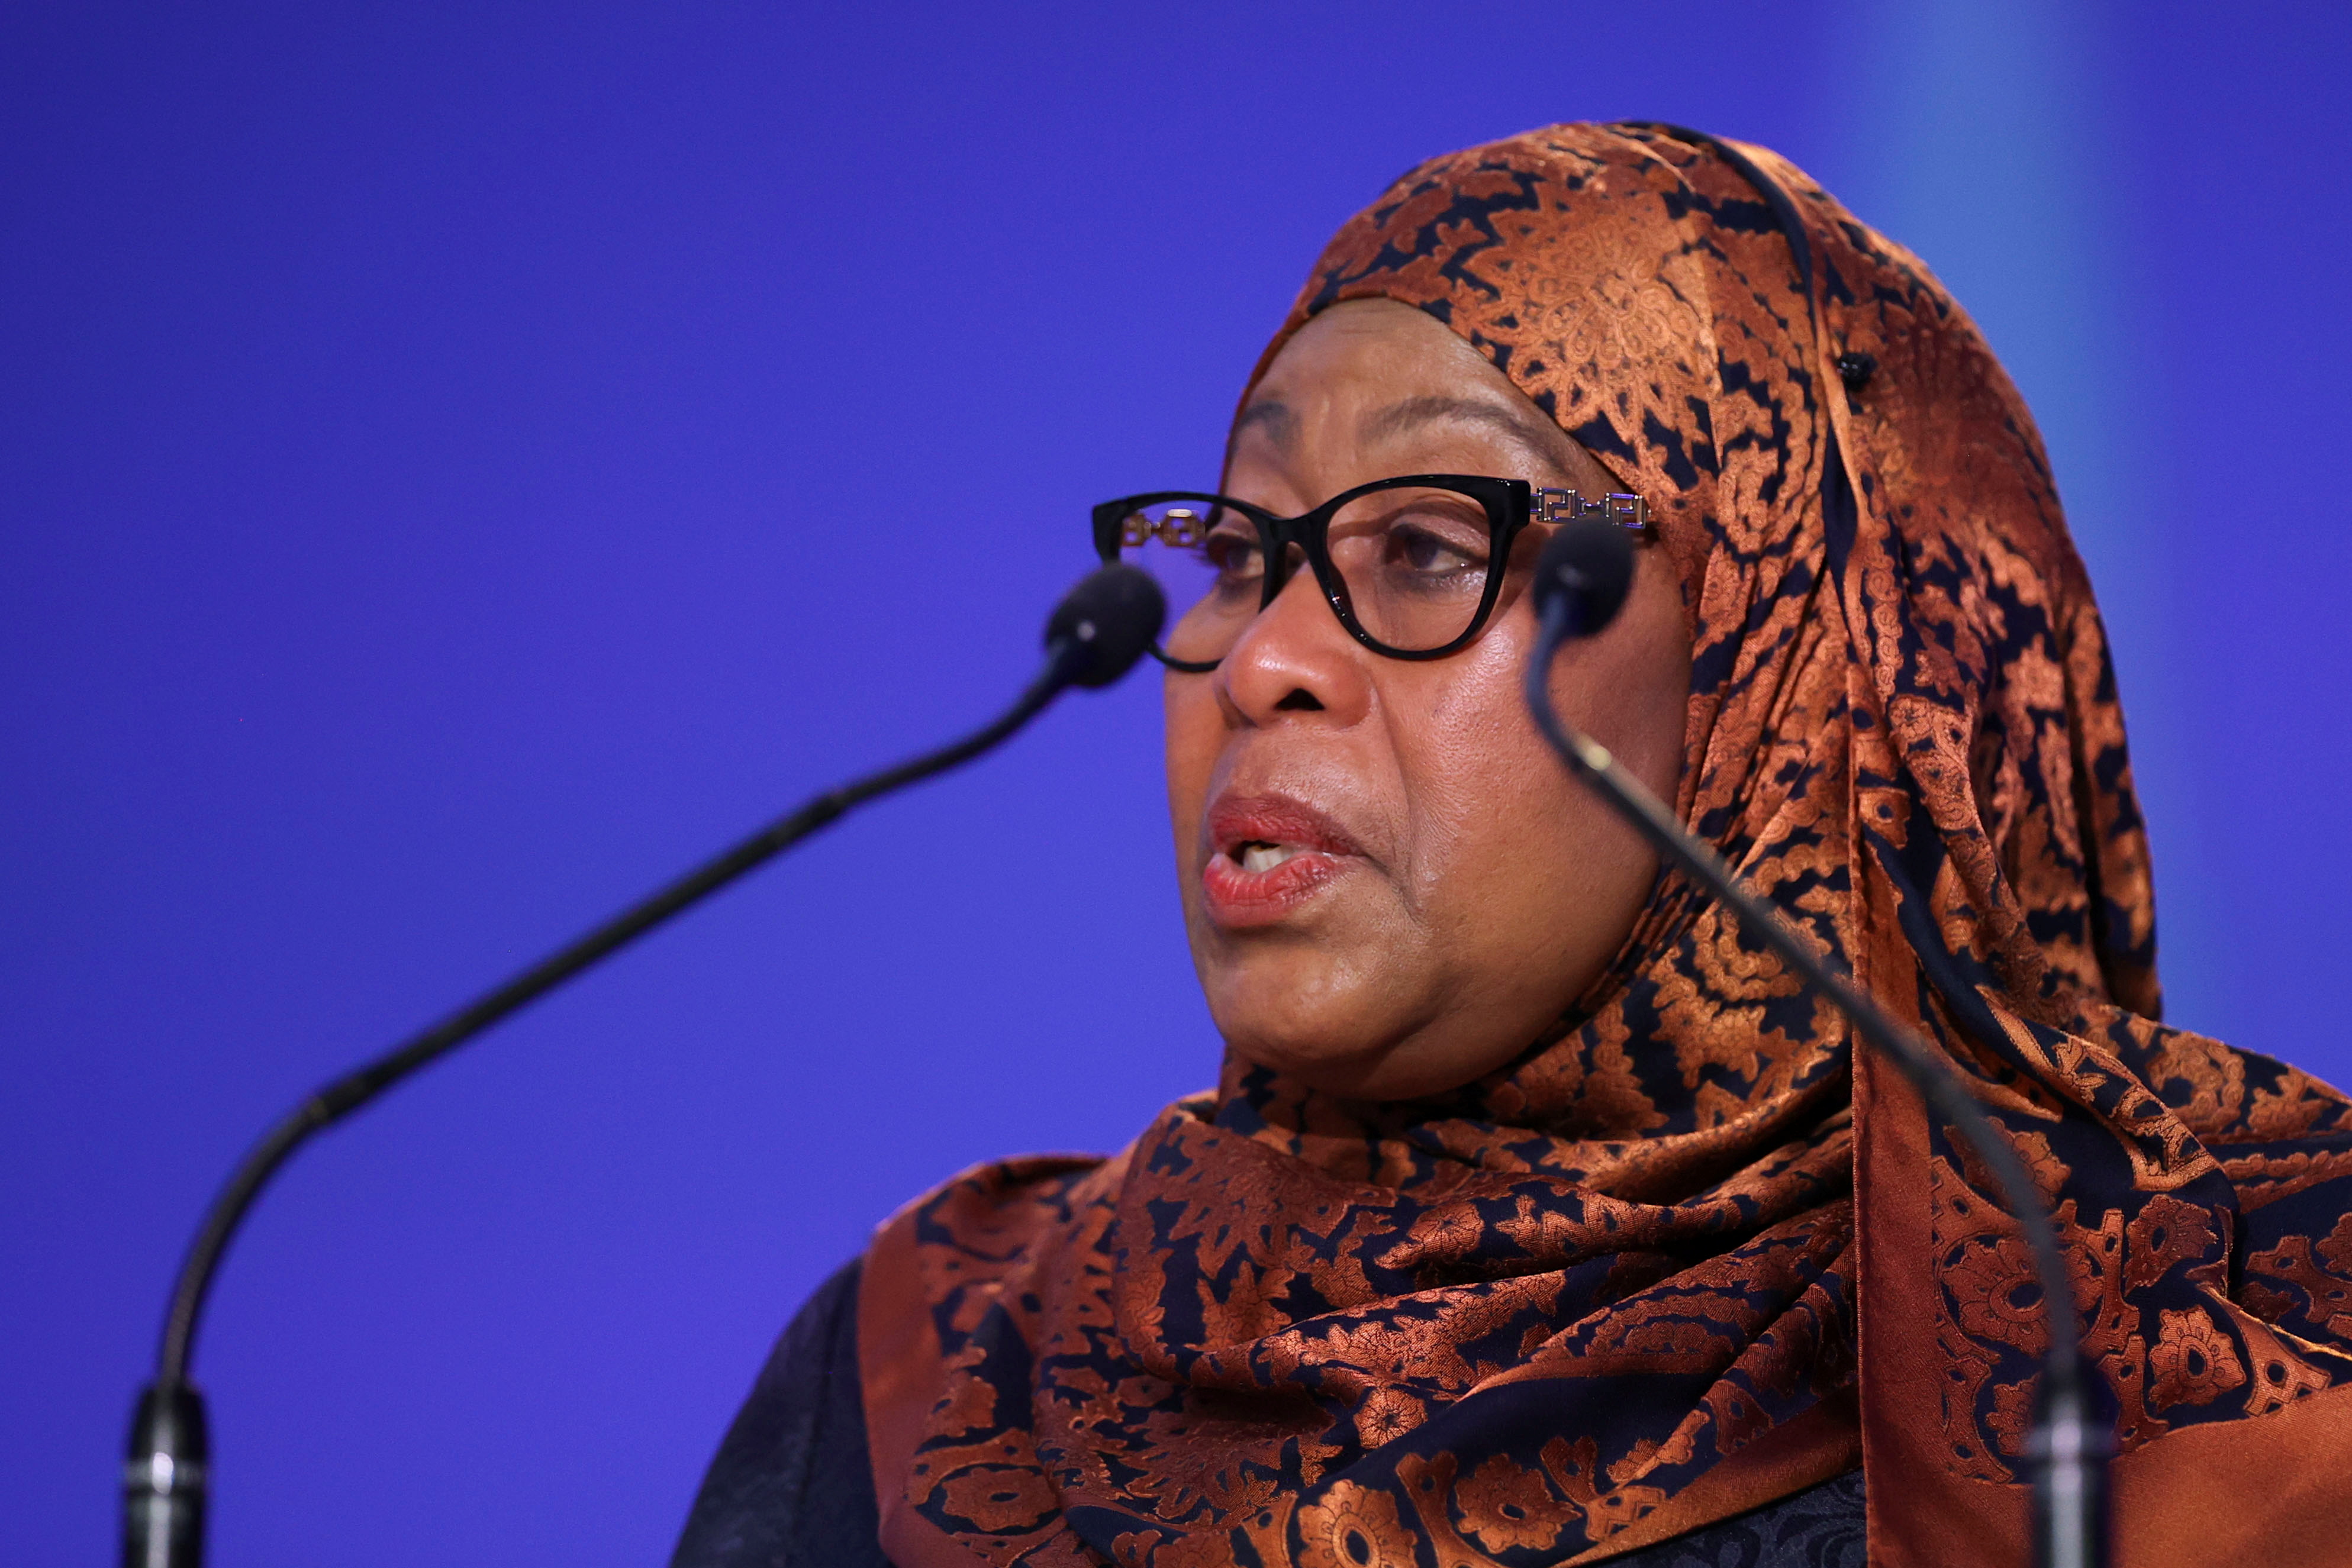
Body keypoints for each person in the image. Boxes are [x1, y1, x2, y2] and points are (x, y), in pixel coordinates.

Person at [671, 122, 2352, 1567]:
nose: (1258, 661)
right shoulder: (935, 1364)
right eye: (1241, 554)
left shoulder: (2223, 1379)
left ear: (1807, 672)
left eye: (1424, 546)